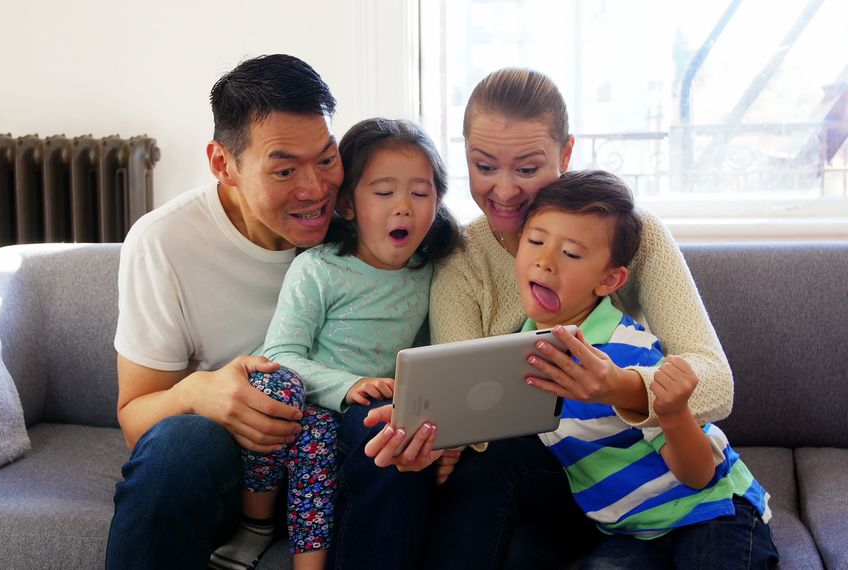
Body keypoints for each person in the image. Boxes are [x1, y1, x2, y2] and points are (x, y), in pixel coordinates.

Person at [333, 67, 736, 569]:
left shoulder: (632, 232)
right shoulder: (463, 256)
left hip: (629, 454)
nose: (504, 191)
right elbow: (459, 394)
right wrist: (434, 435)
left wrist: (619, 387)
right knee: (467, 462)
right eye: (484, 166)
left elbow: (716, 383)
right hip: (545, 470)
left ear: (565, 154)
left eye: (527, 169)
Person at [105, 53, 344, 569]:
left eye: (327, 158)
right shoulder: (166, 242)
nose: (316, 189)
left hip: (341, 459)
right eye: (284, 169)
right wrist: (197, 391)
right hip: (237, 482)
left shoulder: (365, 222)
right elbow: (135, 421)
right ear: (223, 164)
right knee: (181, 441)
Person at [210, 118, 461, 570]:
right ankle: (258, 525)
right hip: (309, 412)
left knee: (393, 439)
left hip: (371, 416)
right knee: (318, 414)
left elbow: (427, 355)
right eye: (384, 193)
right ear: (347, 205)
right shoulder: (318, 269)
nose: (404, 208)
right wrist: (349, 384)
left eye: (420, 194)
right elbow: (279, 355)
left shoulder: (429, 272)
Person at [515, 170, 776, 568]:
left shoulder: (631, 352)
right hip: (631, 532)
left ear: (609, 280)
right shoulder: (519, 348)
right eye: (535, 241)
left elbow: (700, 474)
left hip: (710, 510)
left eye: (570, 253)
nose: (544, 262)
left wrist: (669, 412)